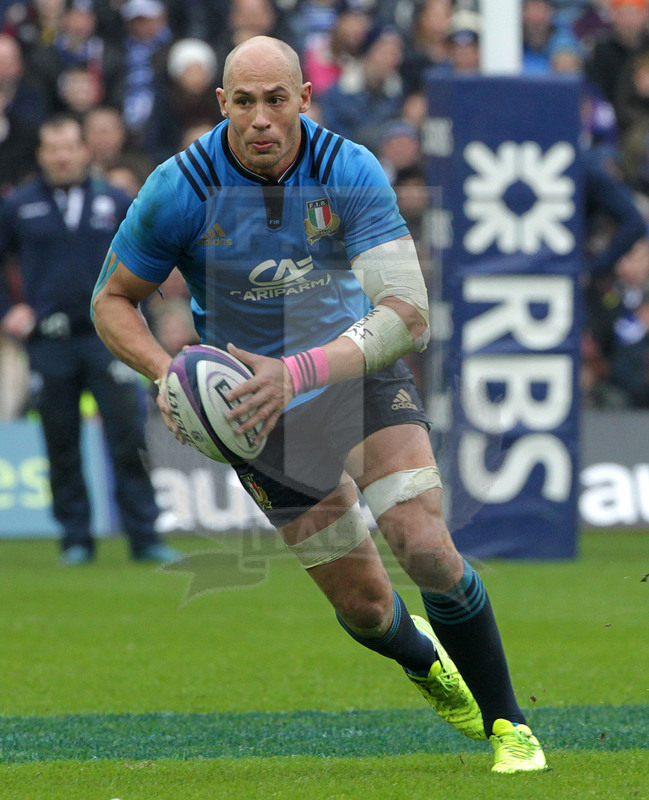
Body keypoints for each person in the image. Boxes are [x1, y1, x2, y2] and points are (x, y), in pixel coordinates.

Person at [91, 36, 547, 773]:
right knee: (365, 608)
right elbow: (111, 300)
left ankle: (509, 726)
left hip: (348, 373)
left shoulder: (348, 169)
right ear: (222, 106)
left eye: (277, 100)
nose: (261, 119)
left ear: (305, 98)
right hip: (253, 411)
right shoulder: (178, 187)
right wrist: (164, 372)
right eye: (244, 102)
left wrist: (297, 371)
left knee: (425, 546)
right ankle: (427, 666)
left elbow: (408, 313)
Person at [0, 113, 180, 565]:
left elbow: (149, 258)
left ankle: (144, 536)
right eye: (52, 148)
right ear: (41, 154)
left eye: (69, 147)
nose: (61, 156)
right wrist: (9, 310)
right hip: (49, 341)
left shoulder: (115, 200)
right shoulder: (18, 205)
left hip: (109, 340)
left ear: (84, 150)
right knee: (60, 442)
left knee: (127, 437)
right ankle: (75, 538)